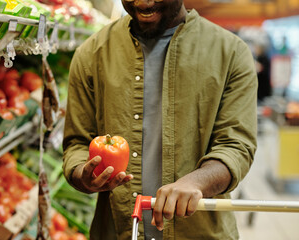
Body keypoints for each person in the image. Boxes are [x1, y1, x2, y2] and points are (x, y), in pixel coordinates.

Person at [62, 0, 258, 239]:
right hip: (116, 230)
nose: (143, 3)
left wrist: (196, 182)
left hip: (200, 232)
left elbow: (236, 147)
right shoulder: (91, 53)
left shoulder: (231, 53)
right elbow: (77, 143)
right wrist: (82, 174)